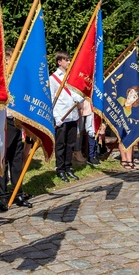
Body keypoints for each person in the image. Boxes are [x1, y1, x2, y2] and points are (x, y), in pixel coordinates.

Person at [50, 51, 85, 182]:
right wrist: (56, 118)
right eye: (67, 60)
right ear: (59, 62)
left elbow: (74, 94)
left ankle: (68, 166)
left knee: (70, 143)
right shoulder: (53, 79)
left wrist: (83, 95)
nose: (69, 62)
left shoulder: (71, 77)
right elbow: (52, 98)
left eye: (69, 60)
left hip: (72, 115)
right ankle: (60, 169)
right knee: (60, 144)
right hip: (61, 116)